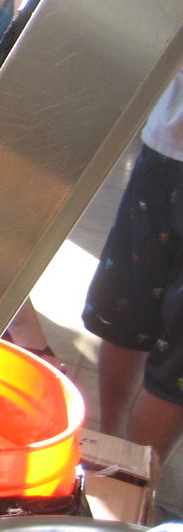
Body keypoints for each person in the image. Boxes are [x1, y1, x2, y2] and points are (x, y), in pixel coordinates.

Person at [83, 67, 183, 466]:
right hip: (165, 146)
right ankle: (128, 487)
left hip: (168, 145)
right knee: (176, 359)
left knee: (128, 308)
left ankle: (110, 460)